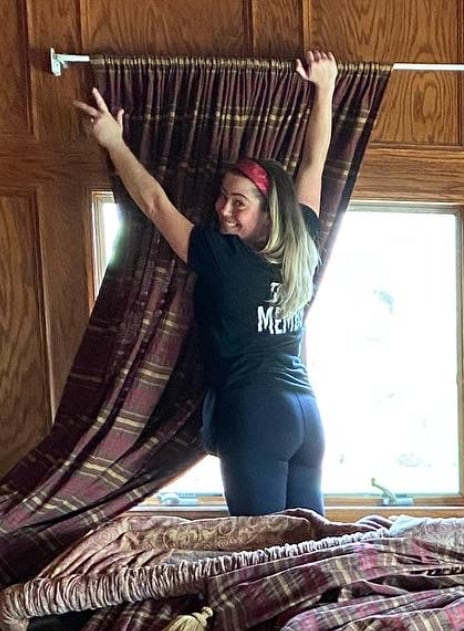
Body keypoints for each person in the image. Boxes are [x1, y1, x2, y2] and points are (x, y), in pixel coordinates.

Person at [74, 52, 338, 517]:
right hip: (306, 417)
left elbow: (155, 204)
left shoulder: (223, 257)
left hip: (254, 414)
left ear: (267, 210)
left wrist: (114, 143)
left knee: (258, 556)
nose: (222, 210)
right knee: (306, 554)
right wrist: (326, 89)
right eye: (222, 197)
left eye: (239, 203)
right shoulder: (302, 244)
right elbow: (315, 162)